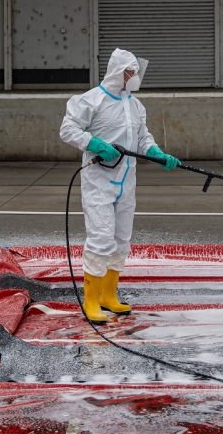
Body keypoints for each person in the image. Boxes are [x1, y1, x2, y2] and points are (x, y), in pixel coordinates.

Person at [59, 48, 180, 323]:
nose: (135, 77)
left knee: (121, 240)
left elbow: (142, 137)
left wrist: (157, 152)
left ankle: (108, 295)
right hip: (99, 182)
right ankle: (91, 301)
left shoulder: (135, 105)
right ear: (118, 72)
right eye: (131, 72)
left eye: (136, 72)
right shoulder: (92, 100)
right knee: (101, 239)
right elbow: (68, 129)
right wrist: (94, 143)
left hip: (127, 182)